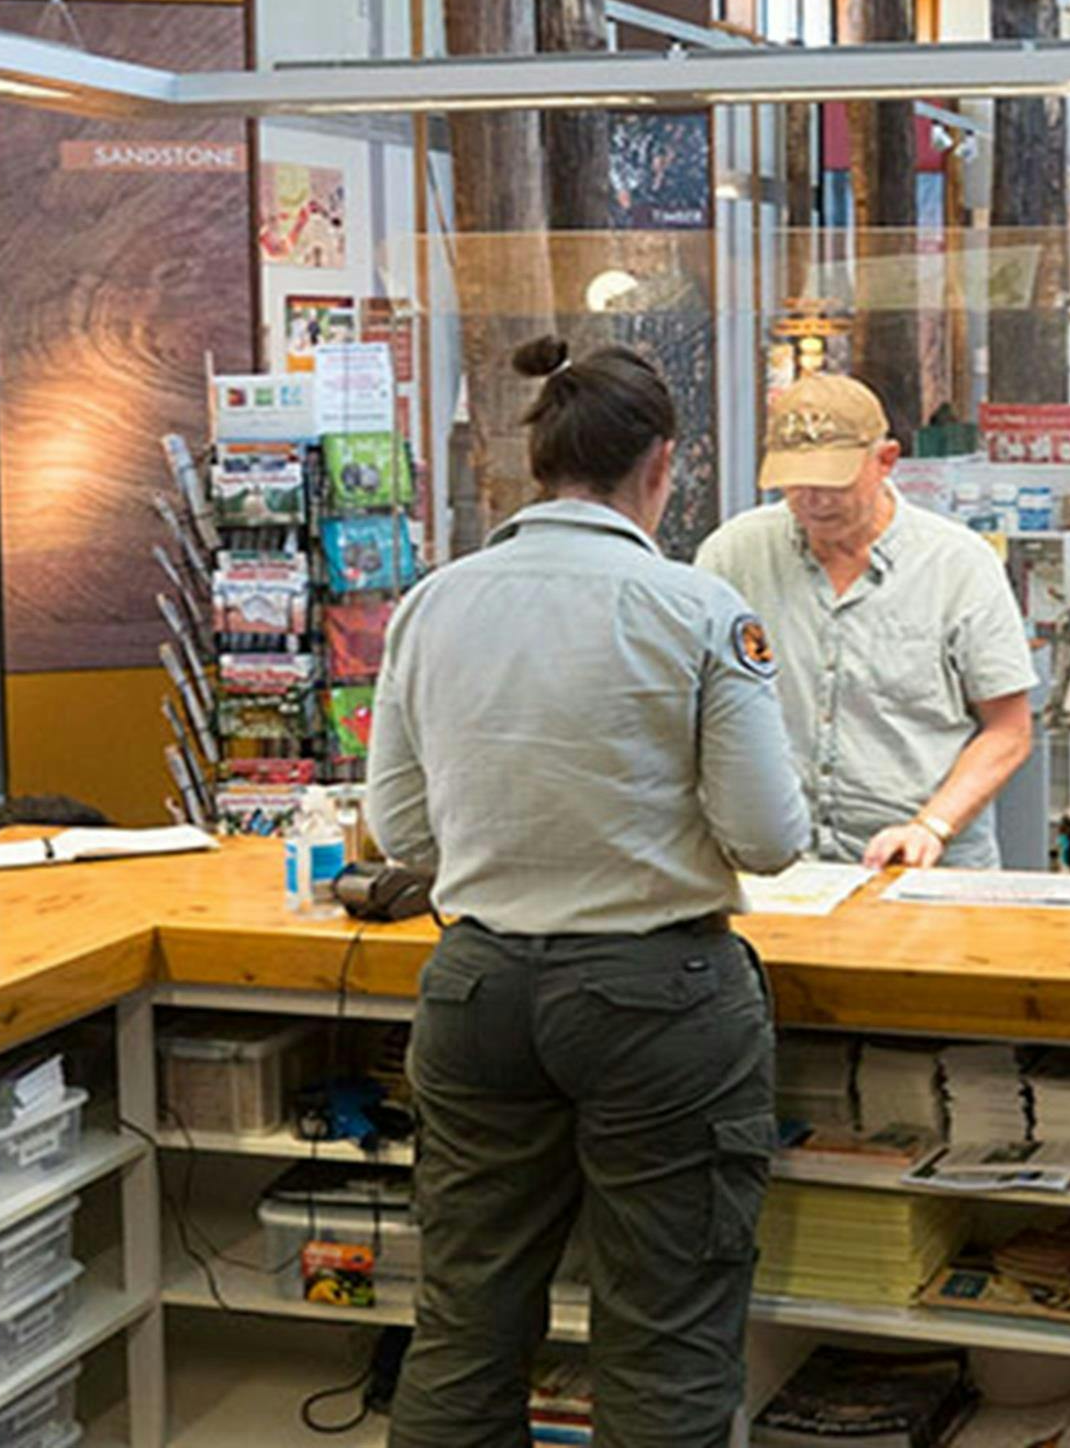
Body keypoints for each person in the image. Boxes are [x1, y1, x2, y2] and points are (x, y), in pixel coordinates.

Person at [368, 338, 808, 1448]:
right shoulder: (696, 609)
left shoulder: (432, 603)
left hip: (476, 989)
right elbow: (766, 836)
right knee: (664, 1329)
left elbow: (402, 831)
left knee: (463, 1320)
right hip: (659, 994)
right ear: (662, 465)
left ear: (538, 462)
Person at [697, 372, 1036, 871]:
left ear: (885, 462)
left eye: (833, 481)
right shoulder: (735, 554)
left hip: (922, 864)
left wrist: (931, 826)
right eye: (796, 482)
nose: (814, 499)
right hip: (777, 866)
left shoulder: (957, 564)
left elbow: (1009, 730)